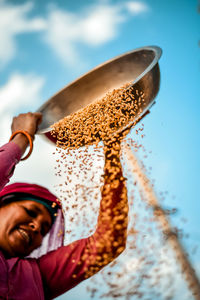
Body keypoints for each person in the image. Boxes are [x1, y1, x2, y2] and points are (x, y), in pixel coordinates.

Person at [0, 112, 128, 299]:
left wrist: (112, 148)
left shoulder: (38, 275)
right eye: (29, 211)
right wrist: (22, 137)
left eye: (44, 230)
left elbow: (108, 242)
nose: (36, 228)